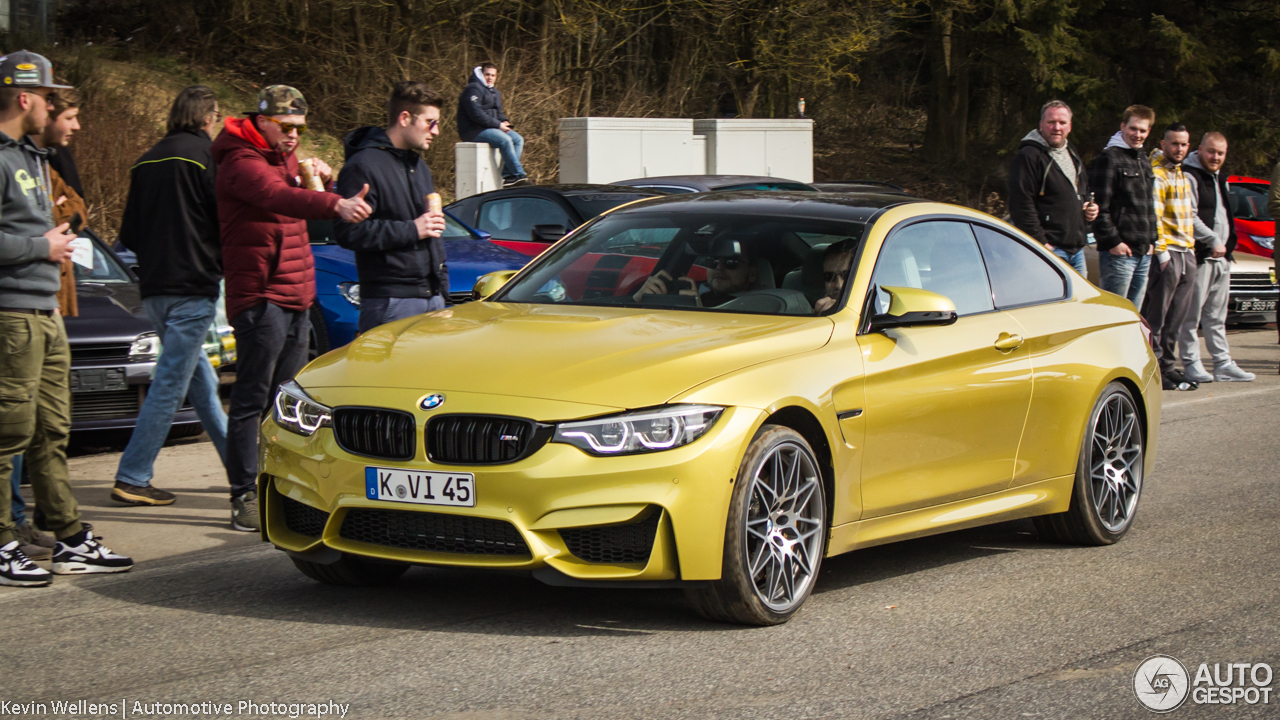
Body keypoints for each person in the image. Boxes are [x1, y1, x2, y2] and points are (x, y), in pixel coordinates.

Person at [0, 50, 133, 586]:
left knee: (52, 430)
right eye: (51, 97)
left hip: (45, 313)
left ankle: (68, 536)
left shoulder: (32, 157)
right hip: (11, 314)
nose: (57, 107)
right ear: (25, 97)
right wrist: (40, 245)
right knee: (7, 432)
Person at [213, 85, 371, 531]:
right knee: (250, 398)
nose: (294, 137)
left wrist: (323, 178)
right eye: (286, 127)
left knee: (284, 401)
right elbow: (277, 198)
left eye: (300, 129)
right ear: (261, 121)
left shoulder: (282, 157)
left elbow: (299, 195)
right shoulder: (240, 161)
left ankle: (279, 484)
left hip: (296, 294)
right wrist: (333, 202)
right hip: (261, 296)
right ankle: (243, 493)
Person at [111, 86, 230, 506]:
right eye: (215, 115)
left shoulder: (146, 161)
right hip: (194, 289)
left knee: (201, 382)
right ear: (206, 117)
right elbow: (224, 221)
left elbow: (128, 235)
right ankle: (133, 475)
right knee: (169, 384)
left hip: (155, 290)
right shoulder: (208, 158)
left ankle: (242, 469)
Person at [335, 81, 448, 333]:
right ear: (405, 118)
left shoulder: (420, 168)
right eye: (430, 122)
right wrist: (412, 230)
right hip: (390, 302)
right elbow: (348, 232)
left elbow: (433, 235)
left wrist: (443, 290)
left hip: (434, 300)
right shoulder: (362, 166)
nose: (436, 131)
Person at [1178, 133, 1254, 383]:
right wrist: (1213, 240)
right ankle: (1191, 363)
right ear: (1199, 149)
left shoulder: (1221, 178)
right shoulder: (1189, 176)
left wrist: (1225, 246)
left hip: (1222, 258)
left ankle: (1223, 364)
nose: (1215, 157)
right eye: (1211, 151)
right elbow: (1190, 216)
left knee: (1217, 317)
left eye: (1220, 153)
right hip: (1200, 257)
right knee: (1191, 316)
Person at [1008, 100, 1099, 274]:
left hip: (1077, 250)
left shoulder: (1071, 151)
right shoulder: (1028, 156)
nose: (1057, 127)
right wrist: (1040, 243)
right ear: (1041, 124)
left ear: (1070, 126)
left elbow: (1082, 190)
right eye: (1051, 122)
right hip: (1048, 251)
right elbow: (1021, 205)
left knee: (1080, 302)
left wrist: (1088, 208)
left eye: (1062, 123)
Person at [1143, 123, 1199, 390]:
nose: (1179, 149)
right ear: (1163, 144)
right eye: (1174, 143)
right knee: (1158, 318)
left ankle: (1168, 367)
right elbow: (1155, 217)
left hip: (1187, 252)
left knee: (1177, 317)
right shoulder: (1158, 174)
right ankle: (1154, 368)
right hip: (1168, 255)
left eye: (1184, 144)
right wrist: (1163, 253)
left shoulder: (1182, 175)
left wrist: (1192, 250)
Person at [1089, 105, 1157, 308]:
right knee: (1114, 313)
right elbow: (1099, 207)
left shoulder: (1143, 159)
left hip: (1144, 252)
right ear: (1123, 127)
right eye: (1133, 129)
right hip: (1120, 254)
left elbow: (1149, 206)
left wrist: (1152, 241)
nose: (1138, 135)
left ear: (1149, 131)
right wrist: (1113, 242)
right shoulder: (1109, 159)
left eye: (1143, 130)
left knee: (1134, 316)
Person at [457, 63, 528, 188]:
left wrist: (504, 121)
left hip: (490, 127)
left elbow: (498, 113)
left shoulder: (495, 92)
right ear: (481, 74)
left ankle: (509, 176)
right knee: (505, 140)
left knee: (518, 140)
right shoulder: (473, 89)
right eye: (487, 74)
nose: (490, 78)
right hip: (473, 130)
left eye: (493, 75)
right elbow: (476, 114)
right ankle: (519, 174)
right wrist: (498, 125)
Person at [634, 246, 762, 306]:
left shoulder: (761, 308)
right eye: (713, 260)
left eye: (731, 262)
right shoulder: (687, 291)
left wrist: (700, 313)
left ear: (752, 274)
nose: (719, 267)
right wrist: (636, 301)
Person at [814, 239, 857, 313]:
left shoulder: (879, 306)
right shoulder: (817, 310)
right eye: (829, 277)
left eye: (846, 275)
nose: (839, 285)